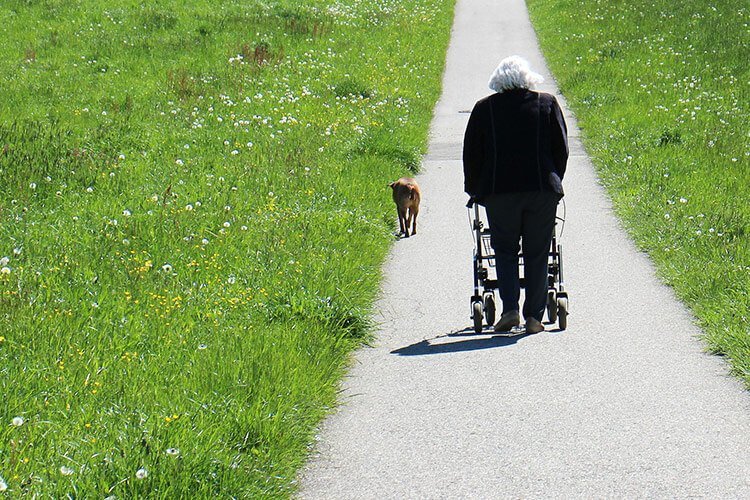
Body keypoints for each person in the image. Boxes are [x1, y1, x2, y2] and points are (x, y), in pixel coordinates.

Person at [463, 55, 568, 334]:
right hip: (541, 190)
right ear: (528, 79)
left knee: (505, 250)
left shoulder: (484, 109)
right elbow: (561, 148)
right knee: (537, 251)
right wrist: (555, 179)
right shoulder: (546, 103)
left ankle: (510, 309)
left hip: (500, 192)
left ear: (498, 81)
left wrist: (475, 190)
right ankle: (534, 317)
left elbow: (472, 154)